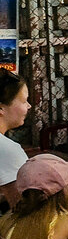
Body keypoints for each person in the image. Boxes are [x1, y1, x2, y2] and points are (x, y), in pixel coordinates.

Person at [0, 69, 30, 208]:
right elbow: (22, 208)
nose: (29, 106)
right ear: (1, 108)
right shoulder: (7, 150)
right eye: (24, 101)